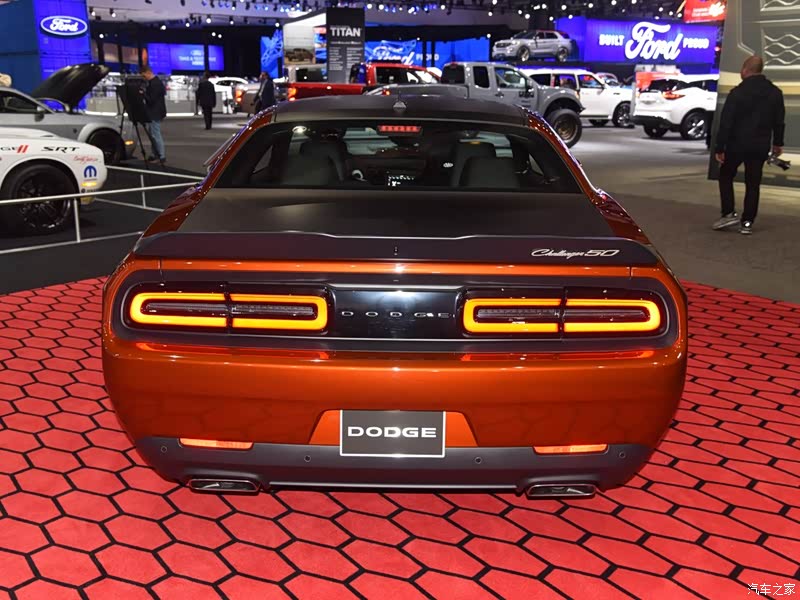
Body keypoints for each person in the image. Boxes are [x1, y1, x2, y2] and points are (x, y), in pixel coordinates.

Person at [713, 55, 785, 235]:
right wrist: (777, 143)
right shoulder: (775, 93)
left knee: (726, 175)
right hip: (760, 145)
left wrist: (720, 147)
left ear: (745, 70)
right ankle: (747, 223)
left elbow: (726, 123)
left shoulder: (737, 93)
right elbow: (779, 122)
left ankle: (728, 213)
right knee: (753, 183)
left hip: (737, 144)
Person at [140, 66, 168, 164]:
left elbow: (151, 100)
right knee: (153, 134)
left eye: (144, 76)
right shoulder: (156, 82)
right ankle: (155, 154)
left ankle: (161, 155)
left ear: (148, 72)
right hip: (156, 111)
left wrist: (143, 93)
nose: (144, 78)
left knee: (155, 134)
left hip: (154, 112)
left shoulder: (154, 84)